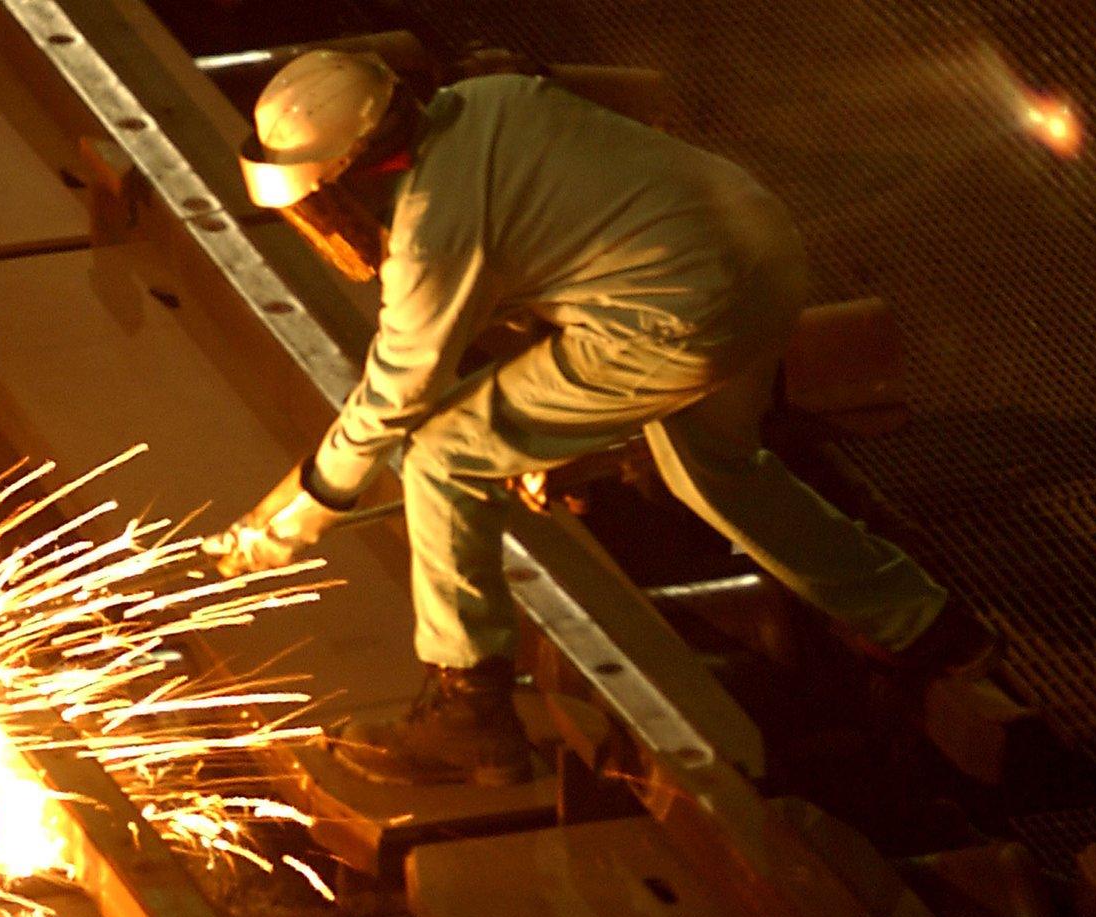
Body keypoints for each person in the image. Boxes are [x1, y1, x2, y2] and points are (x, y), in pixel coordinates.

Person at [204, 51, 996, 787]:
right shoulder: (489, 101)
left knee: (445, 457)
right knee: (717, 474)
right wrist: (550, 433)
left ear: (355, 169)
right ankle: (922, 624)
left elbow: (399, 393)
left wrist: (301, 513)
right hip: (756, 249)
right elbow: (566, 235)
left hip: (680, 314)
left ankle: (471, 714)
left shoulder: (432, 229)